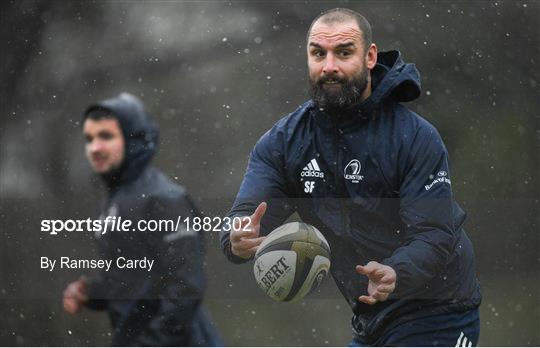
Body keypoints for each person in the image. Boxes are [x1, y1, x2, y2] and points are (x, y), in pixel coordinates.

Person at [220, 8, 481, 347]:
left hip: (439, 312)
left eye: (344, 52)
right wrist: (237, 238)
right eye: (318, 54)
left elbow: (434, 234)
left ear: (370, 57)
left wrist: (396, 272)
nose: (329, 66)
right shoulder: (283, 143)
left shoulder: (415, 137)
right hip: (371, 318)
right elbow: (244, 217)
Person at [63, 92, 221, 346]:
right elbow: (133, 278)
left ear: (133, 138)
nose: (95, 148)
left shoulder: (164, 199)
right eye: (89, 139)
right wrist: (90, 292)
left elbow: (185, 289)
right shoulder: (113, 200)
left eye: (106, 136)